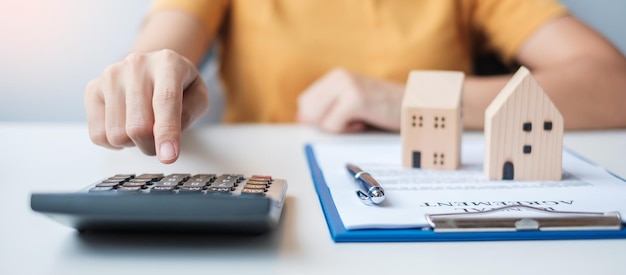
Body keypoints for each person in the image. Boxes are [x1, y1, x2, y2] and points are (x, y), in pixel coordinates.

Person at [85, 0, 626, 164]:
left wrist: (413, 101)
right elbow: (161, 48)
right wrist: (148, 71)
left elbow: (613, 83)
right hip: (270, 193)